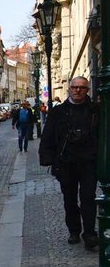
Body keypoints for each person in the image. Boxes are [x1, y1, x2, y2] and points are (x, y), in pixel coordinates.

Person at [40, 76, 100, 249]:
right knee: (70, 199)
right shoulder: (58, 112)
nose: (78, 90)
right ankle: (74, 230)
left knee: (88, 197)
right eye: (75, 87)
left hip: (89, 162)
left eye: (82, 87)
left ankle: (89, 233)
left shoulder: (95, 110)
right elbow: (48, 136)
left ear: (87, 90)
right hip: (66, 162)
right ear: (70, 89)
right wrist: (48, 159)